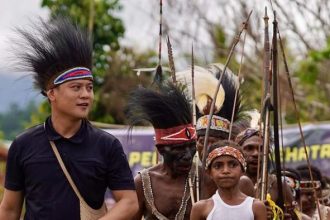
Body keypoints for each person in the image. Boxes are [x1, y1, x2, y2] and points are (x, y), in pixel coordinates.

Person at [0, 17, 138, 220]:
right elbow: (10, 209)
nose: (86, 95)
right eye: (76, 87)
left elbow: (129, 202)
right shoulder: (23, 145)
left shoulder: (107, 146)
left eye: (89, 88)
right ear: (52, 94)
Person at [176, 64, 254, 199]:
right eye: (202, 141)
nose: (208, 146)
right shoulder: (186, 178)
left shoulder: (242, 182)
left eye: (215, 142)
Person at [126, 82, 197, 220]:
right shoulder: (143, 183)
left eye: (191, 146)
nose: (188, 156)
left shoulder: (204, 179)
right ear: (161, 149)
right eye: (179, 149)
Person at [190, 140, 267, 220]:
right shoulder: (200, 209)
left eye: (233, 165)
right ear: (209, 173)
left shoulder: (256, 207)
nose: (225, 171)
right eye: (218, 166)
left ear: (243, 169)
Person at [235, 127, 295, 219]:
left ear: (268, 152)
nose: (256, 154)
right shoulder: (228, 182)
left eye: (261, 149)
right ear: (238, 151)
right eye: (249, 148)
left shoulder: (278, 184)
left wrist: (279, 216)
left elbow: (294, 216)